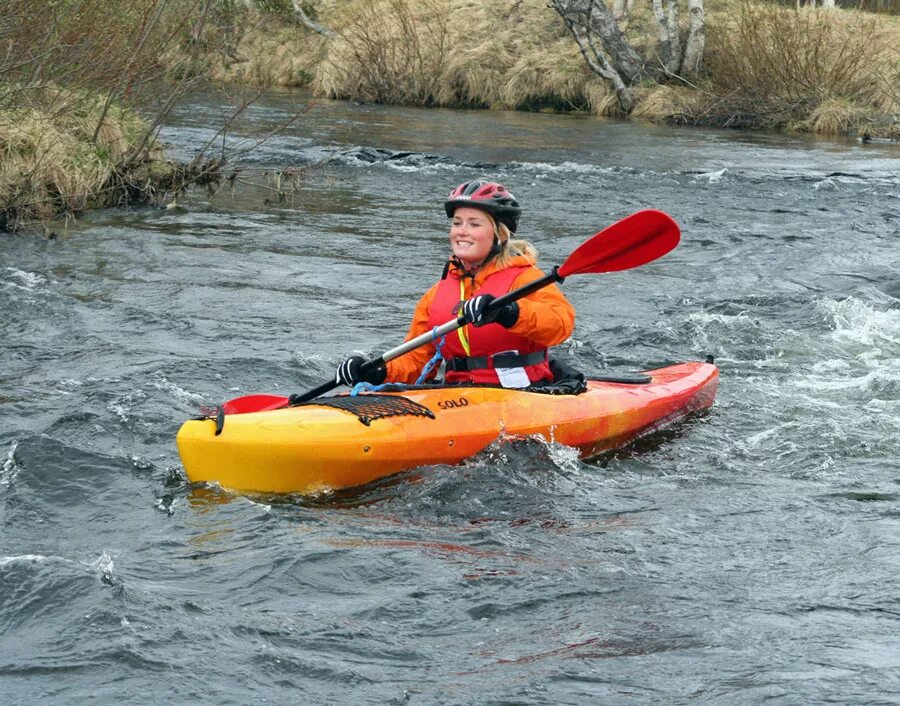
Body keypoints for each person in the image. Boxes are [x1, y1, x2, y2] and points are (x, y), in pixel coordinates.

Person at [335, 180, 575, 388]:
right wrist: (378, 371)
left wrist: (510, 312)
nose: (461, 231)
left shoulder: (526, 279)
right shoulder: (436, 295)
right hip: (456, 395)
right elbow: (418, 361)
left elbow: (560, 325)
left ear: (499, 234)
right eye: (457, 223)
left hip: (523, 389)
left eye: (474, 224)